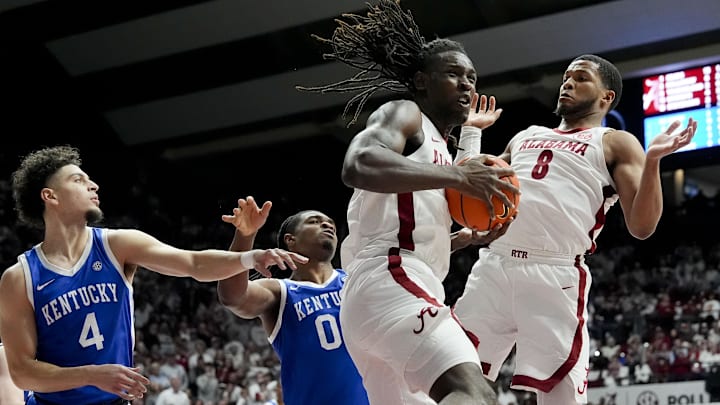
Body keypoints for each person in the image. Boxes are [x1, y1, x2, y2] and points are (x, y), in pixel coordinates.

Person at [297, 0, 518, 403]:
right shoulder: (405, 113)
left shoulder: (437, 149)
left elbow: (400, 226)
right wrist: (458, 175)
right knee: (475, 392)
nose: (467, 84)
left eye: (471, 76)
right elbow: (358, 163)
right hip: (392, 279)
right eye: (453, 74)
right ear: (420, 81)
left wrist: (462, 239)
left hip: (374, 295)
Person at [452, 54, 697, 405]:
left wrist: (653, 161)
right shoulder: (526, 136)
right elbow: (467, 191)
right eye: (566, 76)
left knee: (561, 399)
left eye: (580, 78)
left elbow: (642, 227)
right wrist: (471, 131)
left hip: (554, 275)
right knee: (452, 376)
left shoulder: (614, 141)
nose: (567, 82)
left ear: (606, 97)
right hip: (493, 267)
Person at [0, 145, 307, 405]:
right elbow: (23, 372)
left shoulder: (117, 245)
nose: (94, 185)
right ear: (50, 196)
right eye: (79, 180)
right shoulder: (20, 277)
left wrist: (248, 257)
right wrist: (90, 374)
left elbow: (192, 263)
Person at [216, 197, 370, 405]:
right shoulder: (280, 292)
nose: (326, 224)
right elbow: (232, 297)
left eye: (330, 223)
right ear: (291, 240)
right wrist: (245, 235)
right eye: (314, 221)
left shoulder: (355, 280)